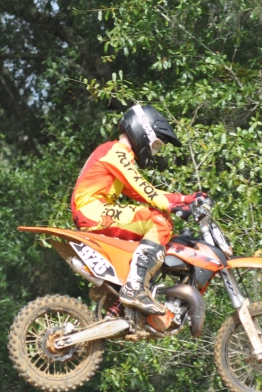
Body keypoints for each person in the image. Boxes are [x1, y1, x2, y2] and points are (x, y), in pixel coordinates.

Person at [70, 104, 206, 315]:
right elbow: (144, 189)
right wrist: (173, 207)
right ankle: (135, 288)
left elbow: (142, 192)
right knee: (159, 221)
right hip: (92, 212)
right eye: (156, 145)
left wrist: (186, 199)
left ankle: (124, 296)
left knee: (155, 228)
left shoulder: (116, 155)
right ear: (144, 132)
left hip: (94, 212)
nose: (154, 151)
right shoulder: (116, 151)